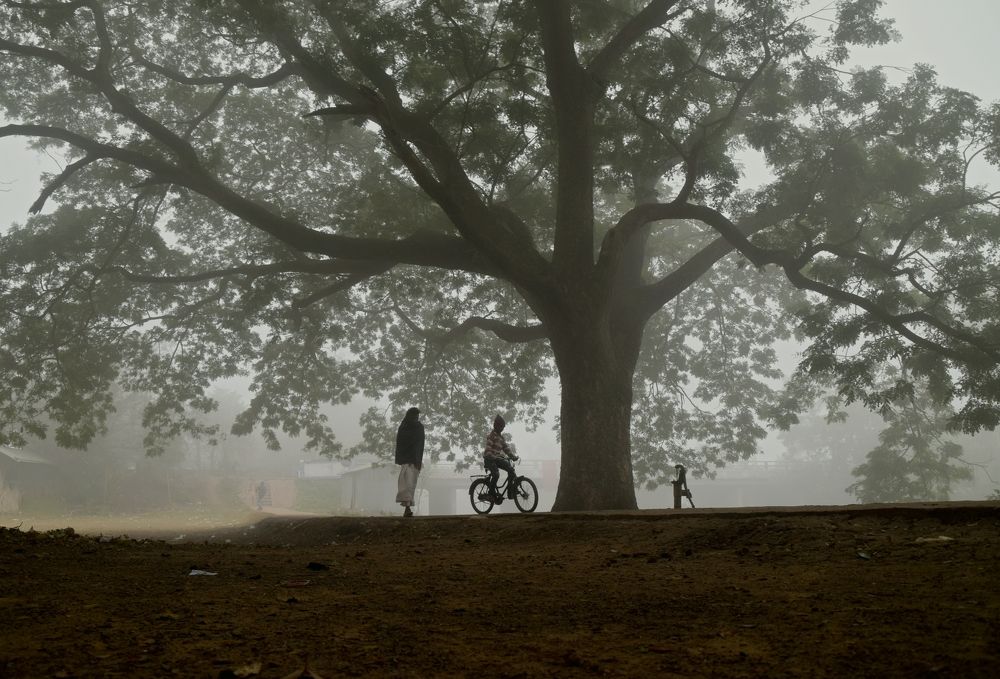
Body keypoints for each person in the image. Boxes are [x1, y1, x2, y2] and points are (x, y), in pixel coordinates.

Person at [394, 407, 425, 517]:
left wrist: (418, 460)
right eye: (415, 416)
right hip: (409, 461)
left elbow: (419, 446)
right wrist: (417, 460)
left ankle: (407, 507)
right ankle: (407, 507)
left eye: (418, 417)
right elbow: (402, 444)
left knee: (409, 485)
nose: (417, 418)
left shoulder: (407, 427)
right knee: (408, 484)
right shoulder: (411, 427)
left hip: (411, 460)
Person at [484, 414, 519, 499]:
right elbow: (488, 450)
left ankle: (510, 492)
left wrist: (513, 457)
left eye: (503, 427)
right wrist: (492, 456)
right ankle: (491, 493)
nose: (502, 429)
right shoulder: (492, 436)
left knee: (511, 470)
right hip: (489, 459)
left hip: (497, 459)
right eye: (501, 427)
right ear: (496, 426)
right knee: (496, 475)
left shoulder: (501, 438)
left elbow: (506, 449)